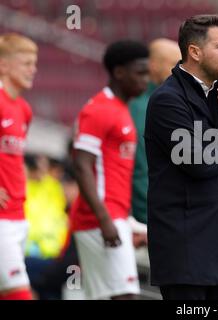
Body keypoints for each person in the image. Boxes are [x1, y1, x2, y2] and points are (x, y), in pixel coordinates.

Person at [145, 14, 218, 300]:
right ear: (195, 52)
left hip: (216, 249)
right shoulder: (167, 100)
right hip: (183, 251)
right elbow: (198, 163)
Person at [70, 40, 149, 300]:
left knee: (109, 296)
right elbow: (81, 165)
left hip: (112, 216)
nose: (145, 80)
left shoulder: (121, 109)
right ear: (119, 73)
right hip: (99, 219)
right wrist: (105, 219)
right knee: (125, 295)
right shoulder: (99, 110)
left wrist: (124, 220)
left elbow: (110, 174)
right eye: (140, 73)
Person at [128, 38, 181, 250]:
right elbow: (141, 170)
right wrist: (147, 221)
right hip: (146, 221)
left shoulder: (164, 101)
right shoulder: (142, 107)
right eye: (174, 64)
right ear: (154, 65)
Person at [0, 33, 38, 300]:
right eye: (25, 63)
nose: (32, 69)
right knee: (19, 294)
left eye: (34, 63)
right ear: (3, 65)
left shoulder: (23, 109)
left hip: (18, 217)